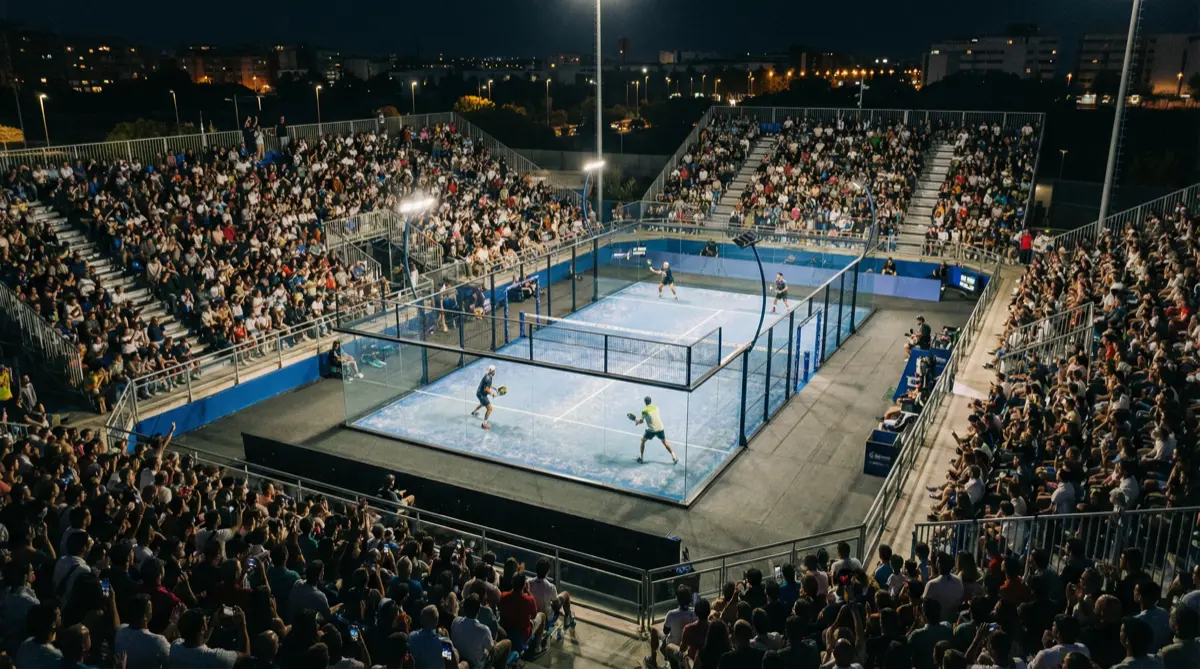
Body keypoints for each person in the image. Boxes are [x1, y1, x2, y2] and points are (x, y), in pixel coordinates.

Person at [635, 396, 678, 465]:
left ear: (645, 402)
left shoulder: (644, 411)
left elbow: (641, 421)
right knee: (664, 442)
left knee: (642, 441)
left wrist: (637, 421)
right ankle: (674, 456)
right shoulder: (656, 407)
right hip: (660, 427)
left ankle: (641, 458)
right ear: (650, 401)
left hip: (651, 430)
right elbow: (651, 417)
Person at [471, 365, 500, 430]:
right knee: (490, 408)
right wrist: (492, 394)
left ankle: (473, 412)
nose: (495, 372)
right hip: (482, 395)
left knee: (482, 404)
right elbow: (486, 389)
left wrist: (494, 387)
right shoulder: (488, 378)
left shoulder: (487, 375)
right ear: (492, 371)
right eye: (494, 370)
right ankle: (484, 424)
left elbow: (487, 384)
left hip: (479, 393)